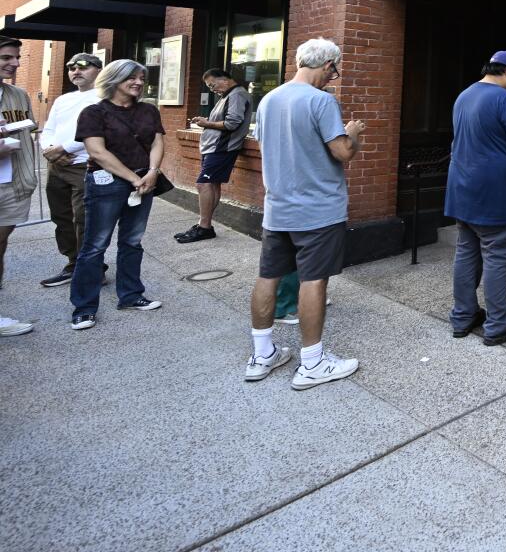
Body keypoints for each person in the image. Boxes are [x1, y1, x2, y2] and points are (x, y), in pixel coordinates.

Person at [244, 38, 364, 389]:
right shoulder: (322, 101)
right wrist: (353, 134)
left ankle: (262, 354)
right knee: (314, 280)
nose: (333, 78)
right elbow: (342, 152)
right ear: (327, 65)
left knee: (268, 276)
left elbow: (267, 144)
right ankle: (312, 362)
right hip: (318, 209)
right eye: (334, 71)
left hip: (278, 206)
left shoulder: (270, 99)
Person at [445, 50, 506, 345]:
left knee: (466, 252)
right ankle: (498, 324)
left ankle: (463, 317)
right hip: (496, 194)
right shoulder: (505, 99)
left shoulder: (464, 95)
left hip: (463, 189)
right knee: (497, 257)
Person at [69, 59, 167, 330]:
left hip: (144, 181)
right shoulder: (94, 112)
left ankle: (131, 295)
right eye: (130, 78)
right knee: (95, 245)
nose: (137, 82)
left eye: (140, 78)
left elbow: (158, 141)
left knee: (132, 241)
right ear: (113, 80)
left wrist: (153, 172)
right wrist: (135, 178)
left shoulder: (148, 110)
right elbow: (97, 152)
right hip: (108, 184)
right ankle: (84, 307)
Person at [38, 53, 103, 287]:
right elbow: (48, 129)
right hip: (57, 166)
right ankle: (73, 262)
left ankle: (92, 268)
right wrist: (49, 150)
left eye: (83, 66)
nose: (76, 70)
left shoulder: (104, 97)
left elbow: (97, 130)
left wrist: (63, 149)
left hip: (84, 166)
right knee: (61, 216)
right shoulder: (62, 99)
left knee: (83, 219)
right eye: (71, 67)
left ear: (98, 69)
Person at [179, 68, 253, 243]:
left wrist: (207, 123)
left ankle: (205, 227)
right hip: (215, 148)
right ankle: (203, 224)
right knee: (212, 185)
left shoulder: (236, 95)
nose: (212, 89)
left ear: (225, 79)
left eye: (212, 85)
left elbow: (232, 123)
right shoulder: (227, 96)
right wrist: (205, 122)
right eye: (209, 87)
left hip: (222, 149)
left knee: (202, 184)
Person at [0, 37, 35, 336]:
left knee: (0, 246)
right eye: (7, 58)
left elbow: (25, 128)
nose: (15, 63)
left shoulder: (18, 95)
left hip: (12, 185)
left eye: (17, 57)